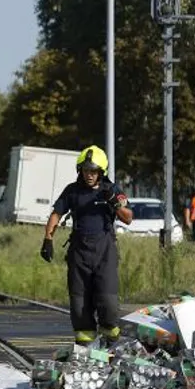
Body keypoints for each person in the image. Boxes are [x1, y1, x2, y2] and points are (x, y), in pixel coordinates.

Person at [40, 145, 133, 344]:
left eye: (93, 171)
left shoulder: (113, 189)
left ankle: (111, 342)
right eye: (85, 171)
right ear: (80, 171)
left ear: (101, 172)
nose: (89, 175)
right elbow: (56, 214)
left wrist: (113, 202)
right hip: (79, 253)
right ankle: (85, 347)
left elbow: (128, 218)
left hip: (105, 252)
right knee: (79, 303)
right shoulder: (72, 191)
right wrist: (48, 239)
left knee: (107, 300)